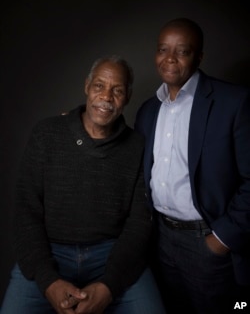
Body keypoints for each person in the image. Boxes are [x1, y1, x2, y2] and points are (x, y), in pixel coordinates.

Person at [1, 55, 166, 314]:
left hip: (112, 254)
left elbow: (139, 223)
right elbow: (25, 212)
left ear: (127, 97)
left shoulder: (137, 147)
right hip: (50, 251)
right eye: (99, 85)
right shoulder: (46, 133)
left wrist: (110, 285)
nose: (107, 96)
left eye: (117, 90)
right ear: (87, 86)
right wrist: (48, 281)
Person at [134, 18, 250, 314]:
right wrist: (78, 118)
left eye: (182, 51)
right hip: (160, 240)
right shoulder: (148, 111)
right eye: (163, 49)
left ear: (199, 57)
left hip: (208, 243)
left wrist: (221, 239)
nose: (170, 58)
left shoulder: (233, 102)